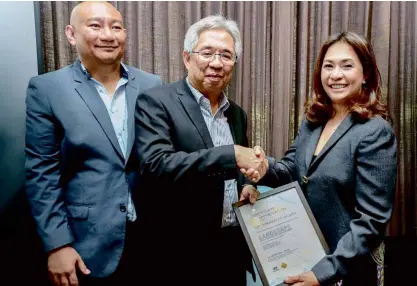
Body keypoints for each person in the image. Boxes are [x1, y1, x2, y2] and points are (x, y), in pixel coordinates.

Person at [243, 31, 397, 286]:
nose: (335, 75)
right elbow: (292, 170)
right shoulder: (314, 121)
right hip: (304, 256)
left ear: (365, 74)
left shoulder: (374, 131)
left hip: (344, 269)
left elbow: (372, 221)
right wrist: (264, 167)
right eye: (328, 66)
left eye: (347, 66)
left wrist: (323, 272)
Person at [25, 2, 162, 285]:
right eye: (95, 25)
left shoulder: (151, 84)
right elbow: (42, 173)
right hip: (85, 242)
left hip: (149, 236)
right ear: (71, 34)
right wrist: (57, 244)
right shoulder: (48, 89)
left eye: (116, 27)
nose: (108, 35)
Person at [134, 15, 266, 286]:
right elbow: (155, 166)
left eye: (226, 56)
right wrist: (230, 153)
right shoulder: (157, 102)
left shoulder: (237, 114)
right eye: (207, 53)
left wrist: (246, 185)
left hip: (229, 251)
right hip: (178, 255)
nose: (216, 63)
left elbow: (233, 173)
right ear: (187, 57)